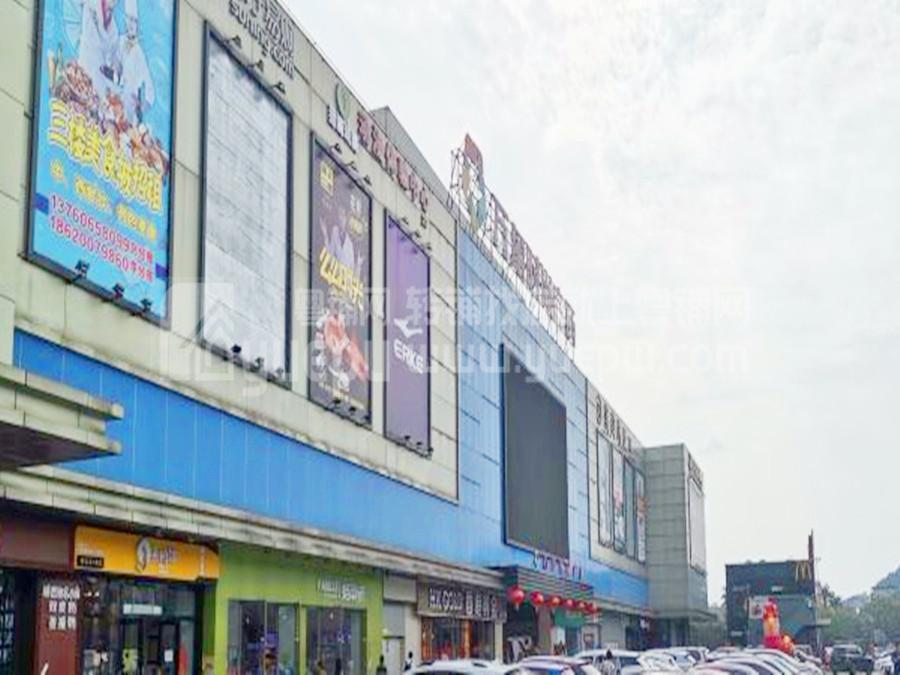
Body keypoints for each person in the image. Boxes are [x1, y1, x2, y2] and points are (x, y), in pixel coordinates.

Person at [116, 0, 155, 122]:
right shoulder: (119, 41)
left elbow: (149, 88)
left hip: (131, 105)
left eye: (135, 21)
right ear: (125, 20)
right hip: (116, 98)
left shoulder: (139, 53)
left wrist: (142, 107)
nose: (132, 24)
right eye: (130, 19)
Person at [78, 0, 120, 92]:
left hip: (100, 78)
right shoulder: (91, 5)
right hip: (86, 66)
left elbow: (113, 54)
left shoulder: (113, 28)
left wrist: (115, 67)